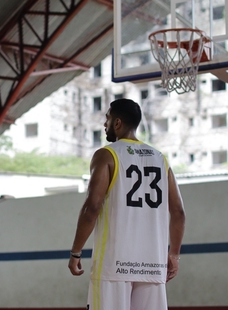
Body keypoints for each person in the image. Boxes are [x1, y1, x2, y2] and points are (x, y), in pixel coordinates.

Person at [68, 98, 186, 310]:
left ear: (118, 123)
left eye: (107, 119)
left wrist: (76, 251)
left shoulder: (108, 154)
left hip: (114, 265)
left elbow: (92, 207)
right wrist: (174, 255)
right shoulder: (160, 158)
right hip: (152, 264)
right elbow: (178, 212)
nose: (105, 124)